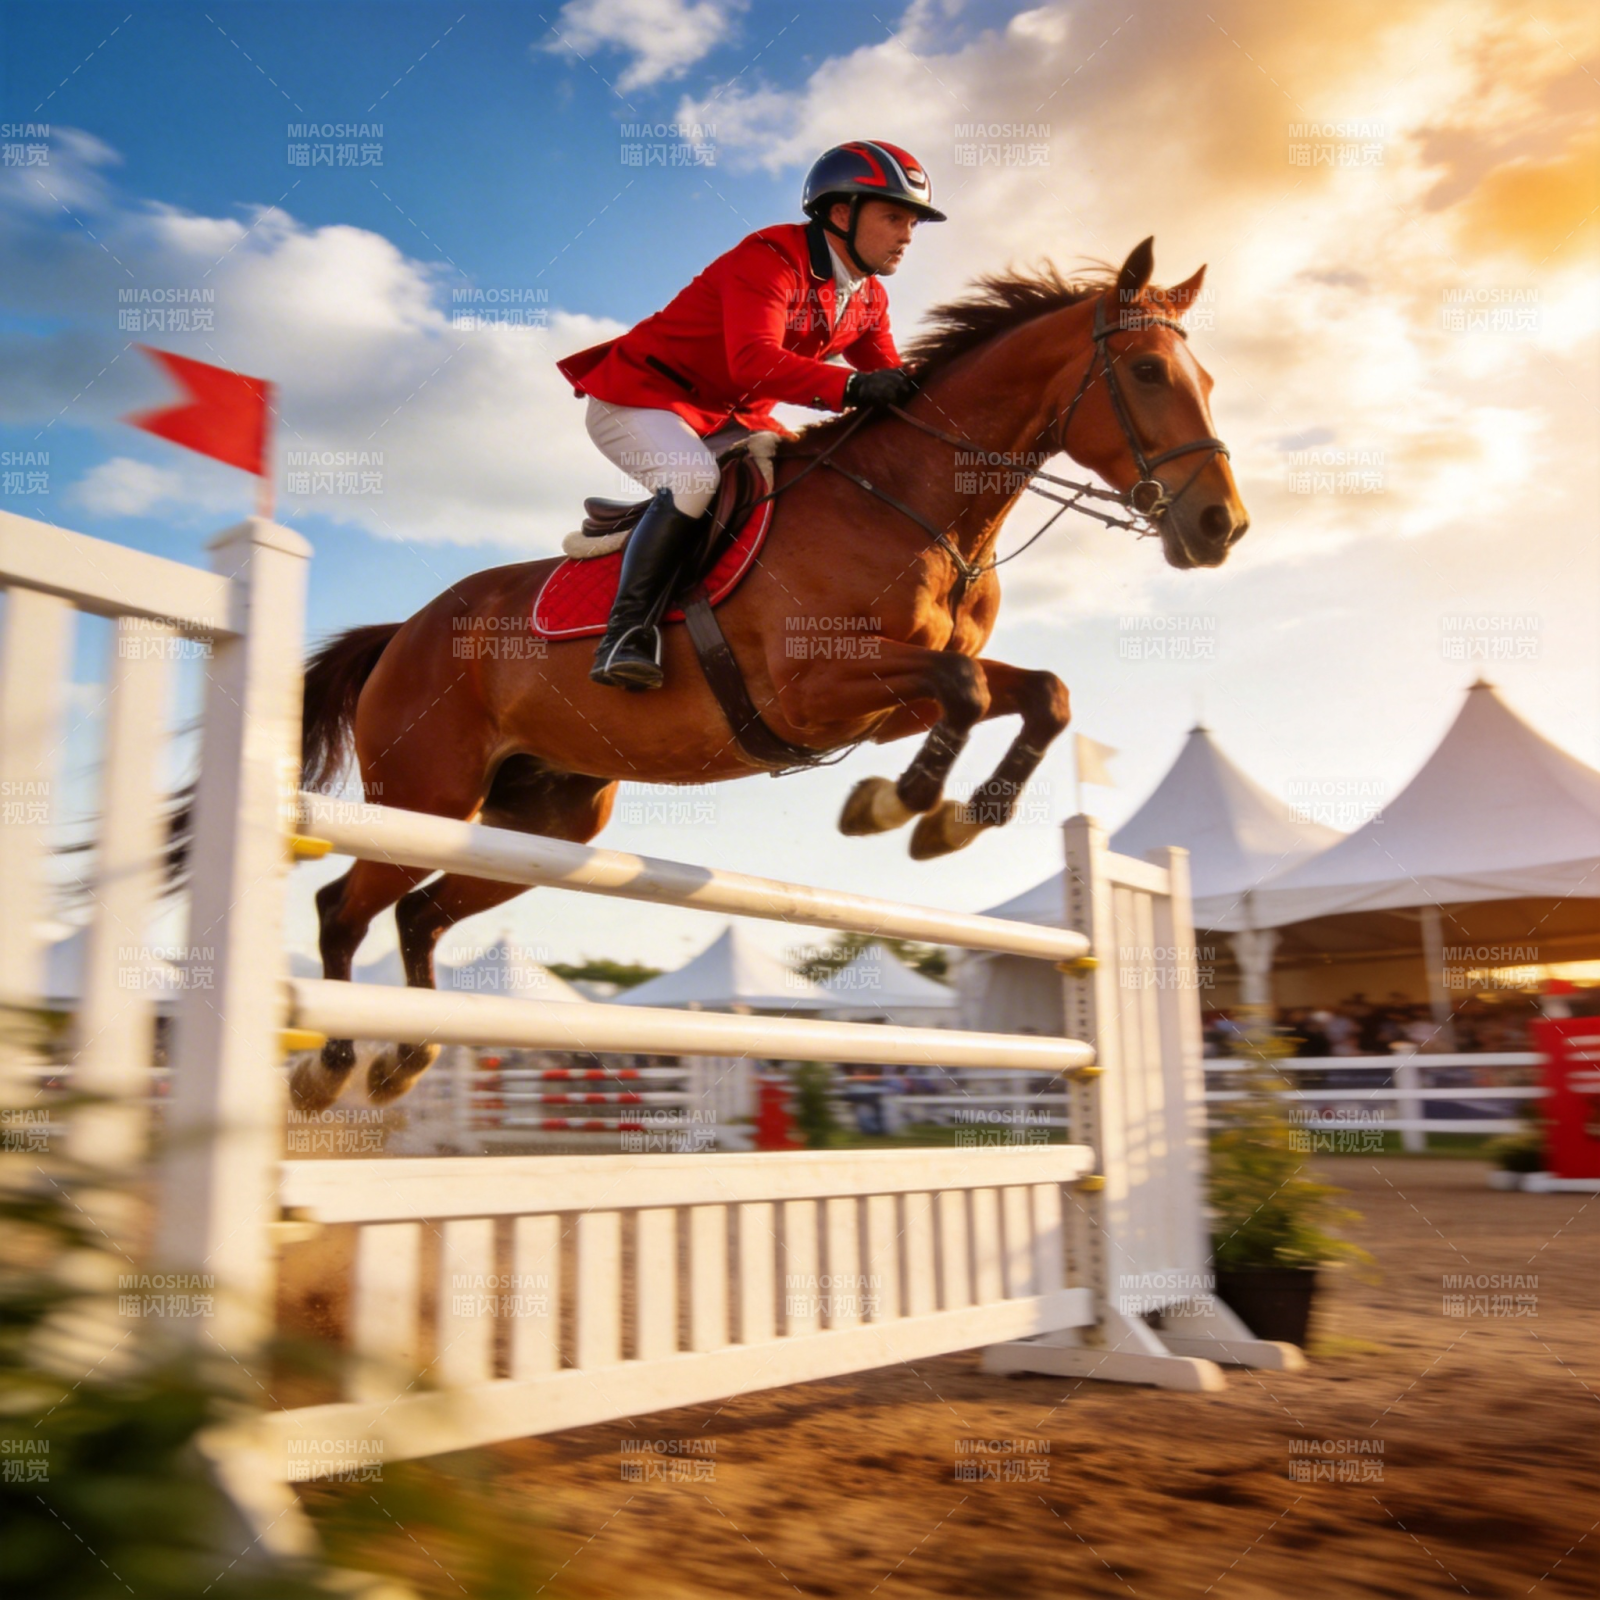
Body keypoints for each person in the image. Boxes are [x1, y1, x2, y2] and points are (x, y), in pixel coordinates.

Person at [556, 141, 946, 690]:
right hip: (641, 397)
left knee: (814, 476)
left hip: (728, 418)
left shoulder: (868, 299)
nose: (908, 234)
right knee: (693, 479)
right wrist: (854, 385)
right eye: (894, 217)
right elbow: (750, 362)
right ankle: (626, 633)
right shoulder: (770, 258)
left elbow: (894, 383)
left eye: (913, 222)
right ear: (842, 213)